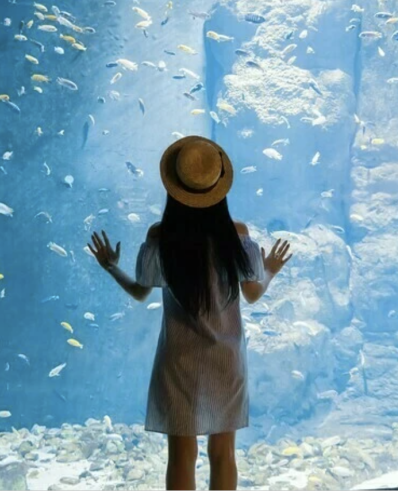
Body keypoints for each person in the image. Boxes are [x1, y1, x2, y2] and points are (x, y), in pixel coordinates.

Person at [87, 135, 293, 490]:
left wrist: (111, 267)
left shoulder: (161, 236)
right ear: (218, 188)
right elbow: (254, 294)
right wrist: (270, 268)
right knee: (224, 453)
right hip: (226, 358)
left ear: (174, 187)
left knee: (181, 455)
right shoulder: (236, 234)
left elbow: (140, 292)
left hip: (178, 360)